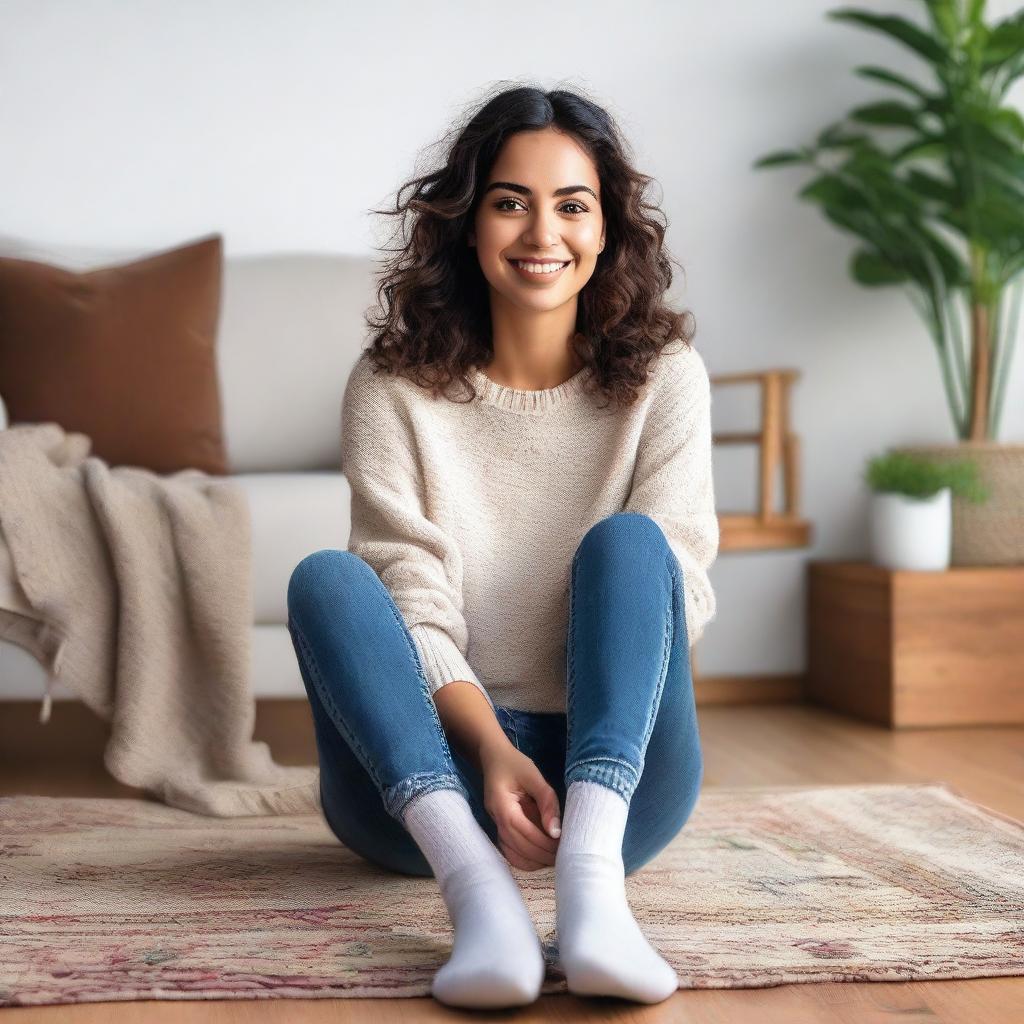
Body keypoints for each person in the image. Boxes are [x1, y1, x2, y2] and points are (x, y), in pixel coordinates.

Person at [286, 83, 719, 1010]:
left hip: (625, 778)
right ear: (468, 223)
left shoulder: (667, 378)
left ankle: (592, 891)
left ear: (607, 231)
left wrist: (582, 804)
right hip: (429, 781)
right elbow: (411, 596)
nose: (541, 233)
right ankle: (479, 900)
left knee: (636, 545)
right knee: (329, 578)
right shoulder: (392, 387)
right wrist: (486, 753)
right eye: (510, 201)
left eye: (572, 205)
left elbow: (678, 583)